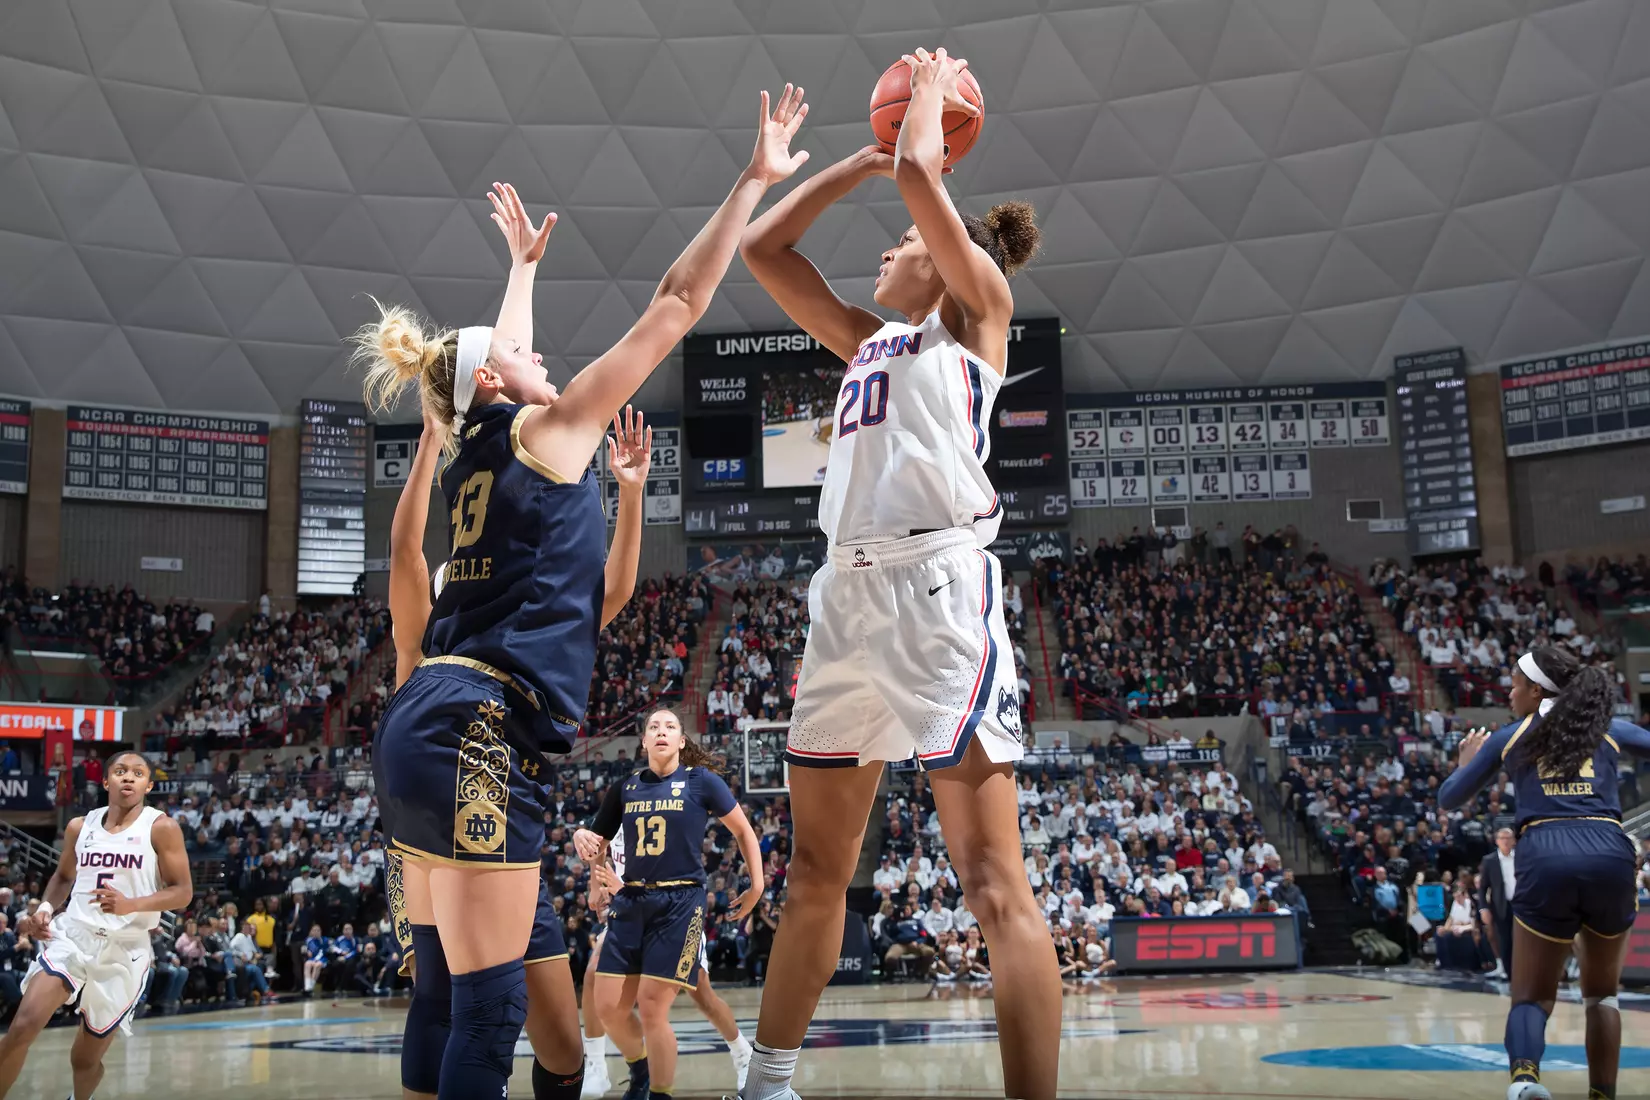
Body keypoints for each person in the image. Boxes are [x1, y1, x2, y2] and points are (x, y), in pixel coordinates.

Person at [357, 84, 810, 1100]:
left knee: (442, 991)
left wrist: (520, 273)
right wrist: (749, 181)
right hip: (478, 729)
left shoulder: (475, 442)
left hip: (427, 712)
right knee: (490, 1010)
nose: (543, 355)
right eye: (525, 354)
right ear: (496, 385)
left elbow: (485, 363)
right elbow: (677, 305)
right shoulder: (545, 432)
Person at [737, 46, 1057, 1100]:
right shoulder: (871, 339)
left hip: (937, 588)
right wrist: (861, 163)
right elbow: (764, 248)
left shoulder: (979, 309)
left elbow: (925, 182)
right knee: (819, 870)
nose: (885, 254)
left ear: (944, 249)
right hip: (846, 595)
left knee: (989, 879)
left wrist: (918, 118)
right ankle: (768, 1081)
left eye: (900, 244)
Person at [380, 316, 655, 1100]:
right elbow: (409, 546)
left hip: (494, 792)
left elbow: (608, 596)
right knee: (468, 1009)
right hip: (455, 760)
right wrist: (432, 440)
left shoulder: (512, 581)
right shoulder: (444, 609)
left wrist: (629, 498)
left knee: (561, 1045)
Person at [1439, 646, 1650, 1100]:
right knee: (1602, 996)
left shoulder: (1510, 737)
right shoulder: (1609, 730)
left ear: (1536, 690)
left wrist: (1463, 764)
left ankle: (1525, 1081)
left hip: (1546, 851)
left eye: (1515, 685)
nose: (1510, 693)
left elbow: (1449, 799)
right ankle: (1602, 1094)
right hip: (1609, 851)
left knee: (1531, 997)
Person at [574, 707, 764, 1100]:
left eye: (671, 726)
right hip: (631, 901)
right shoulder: (625, 788)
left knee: (663, 1004)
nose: (661, 731)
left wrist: (757, 885)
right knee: (607, 1004)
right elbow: (598, 845)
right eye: (653, 727)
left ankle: (667, 1087)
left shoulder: (702, 782)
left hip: (680, 904)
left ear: (681, 741)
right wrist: (591, 866)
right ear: (642, 742)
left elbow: (744, 830)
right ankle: (639, 1066)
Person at [0, 751, 193, 1099]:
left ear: (148, 785)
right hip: (75, 936)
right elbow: (62, 876)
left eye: (137, 773)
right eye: (120, 771)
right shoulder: (80, 826)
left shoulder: (161, 827)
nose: (128, 777)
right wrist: (45, 908)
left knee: (84, 1060)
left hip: (125, 948)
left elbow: (183, 892)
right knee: (22, 1027)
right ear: (106, 781)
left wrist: (130, 905)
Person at [579, 804, 753, 1098]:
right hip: (627, 915)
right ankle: (597, 1067)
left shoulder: (668, 820)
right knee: (593, 974)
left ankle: (743, 1055)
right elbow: (597, 843)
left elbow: (671, 881)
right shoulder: (621, 806)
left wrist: (623, 889)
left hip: (671, 916)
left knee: (703, 996)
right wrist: (596, 883)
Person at [1480, 826, 1517, 979]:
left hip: (1521, 905)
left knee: (1522, 940)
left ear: (1514, 841)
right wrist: (1483, 908)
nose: (1505, 841)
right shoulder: (1489, 861)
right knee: (1505, 940)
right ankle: (1508, 973)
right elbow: (1482, 888)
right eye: (1502, 838)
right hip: (1501, 905)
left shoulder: (1521, 857)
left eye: (1508, 838)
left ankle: (1523, 972)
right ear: (1496, 841)